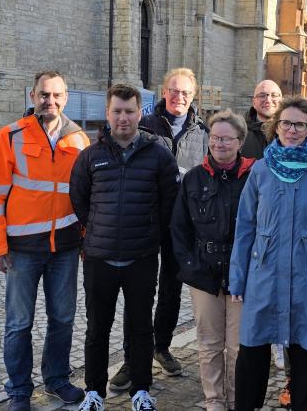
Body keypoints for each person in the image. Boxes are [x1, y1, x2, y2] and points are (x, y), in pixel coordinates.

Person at [0, 71, 90, 411]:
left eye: (56, 95)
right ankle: (18, 390)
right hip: (23, 250)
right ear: (32, 96)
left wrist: (85, 240)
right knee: (19, 323)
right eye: (44, 94)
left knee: (63, 318)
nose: (50, 101)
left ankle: (56, 379)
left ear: (66, 98)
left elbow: (86, 196)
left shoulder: (79, 140)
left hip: (66, 249)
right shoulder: (9, 136)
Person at [229, 97, 307, 411]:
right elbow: (245, 227)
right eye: (286, 123)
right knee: (252, 349)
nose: (291, 130)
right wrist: (237, 278)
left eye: (299, 124)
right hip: (264, 273)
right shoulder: (262, 170)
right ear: (276, 126)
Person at [70, 83, 180, 411]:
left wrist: (147, 233)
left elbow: (168, 204)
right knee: (97, 328)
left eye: (129, 111)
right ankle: (94, 391)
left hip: (142, 257)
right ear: (107, 113)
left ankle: (141, 390)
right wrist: (100, 229)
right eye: (117, 111)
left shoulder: (159, 154)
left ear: (139, 113)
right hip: (100, 258)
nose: (123, 118)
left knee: (140, 327)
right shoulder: (90, 156)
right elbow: (79, 199)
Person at [108, 68, 208, 388]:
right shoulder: (145, 127)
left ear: (194, 97)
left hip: (182, 227)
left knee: (170, 291)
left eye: (186, 93)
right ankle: (130, 358)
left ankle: (161, 347)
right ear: (164, 92)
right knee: (140, 292)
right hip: (147, 222)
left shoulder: (202, 133)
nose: (180, 98)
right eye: (174, 91)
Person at [171, 109, 256, 411]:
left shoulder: (254, 176)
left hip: (242, 273)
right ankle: (214, 402)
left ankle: (236, 400)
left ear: (240, 141)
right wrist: (190, 266)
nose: (220, 143)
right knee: (208, 344)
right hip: (204, 272)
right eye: (215, 137)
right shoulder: (194, 178)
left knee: (237, 346)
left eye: (227, 139)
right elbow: (178, 228)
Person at [242, 80, 283, 159]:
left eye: (274, 95)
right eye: (262, 95)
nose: (268, 100)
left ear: (282, 100)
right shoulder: (240, 131)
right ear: (254, 103)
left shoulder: (291, 131)